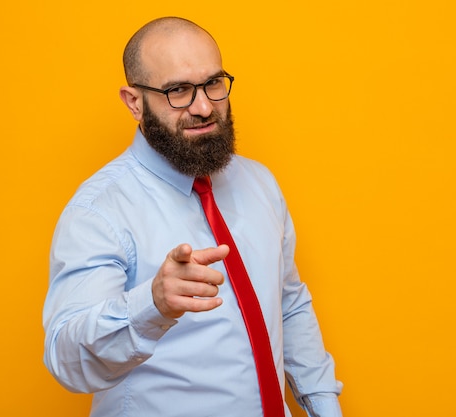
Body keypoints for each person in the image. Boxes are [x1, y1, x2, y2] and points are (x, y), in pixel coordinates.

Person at [43, 16, 343, 417]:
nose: (204, 107)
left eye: (213, 84)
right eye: (178, 90)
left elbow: (288, 305)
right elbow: (66, 360)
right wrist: (152, 305)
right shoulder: (100, 210)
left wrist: (324, 407)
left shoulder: (260, 183)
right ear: (134, 102)